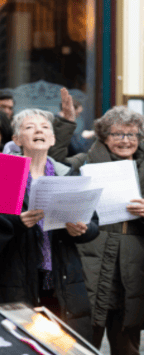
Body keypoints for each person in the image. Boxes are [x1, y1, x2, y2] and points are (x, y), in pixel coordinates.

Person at [0, 109, 99, 341]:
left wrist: (81, 230)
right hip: (17, 274)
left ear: (53, 139)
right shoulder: (2, 175)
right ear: (17, 140)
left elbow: (93, 223)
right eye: (29, 127)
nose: (39, 130)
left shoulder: (69, 175)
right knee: (22, 344)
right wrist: (17, 223)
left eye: (45, 127)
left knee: (62, 344)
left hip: (62, 277)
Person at [62, 106, 144, 354]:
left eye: (133, 134)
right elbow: (56, 167)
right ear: (103, 136)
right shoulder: (84, 161)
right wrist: (66, 124)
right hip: (91, 260)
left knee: (127, 344)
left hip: (134, 262)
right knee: (82, 343)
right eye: (118, 134)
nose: (126, 140)